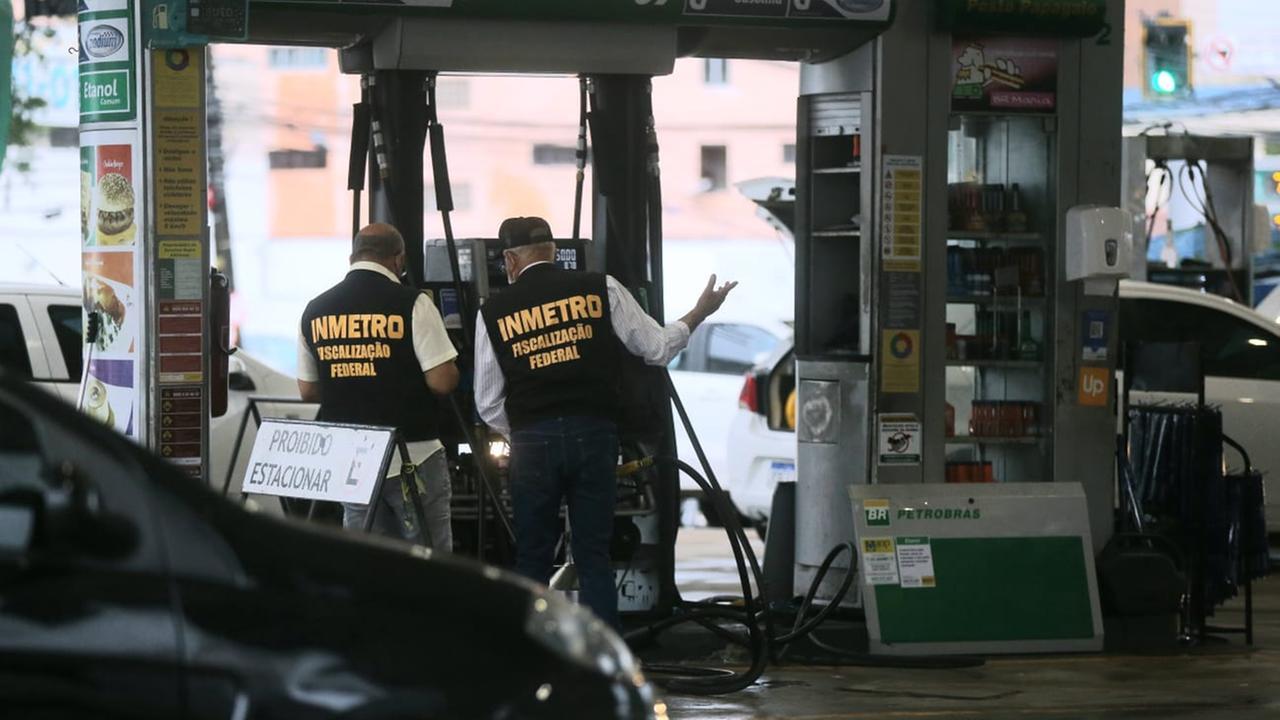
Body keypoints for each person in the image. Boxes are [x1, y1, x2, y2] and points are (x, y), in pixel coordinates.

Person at [474, 216, 736, 628]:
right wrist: (700, 312)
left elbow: (487, 402)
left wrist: (524, 432)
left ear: (508, 258)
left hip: (533, 442)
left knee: (533, 557)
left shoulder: (493, 311)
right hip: (594, 436)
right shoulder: (601, 287)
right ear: (553, 250)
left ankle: (528, 657)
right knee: (594, 555)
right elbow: (656, 348)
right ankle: (604, 662)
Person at [297, 223, 460, 550]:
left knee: (365, 560)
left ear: (352, 257)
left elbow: (308, 391)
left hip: (350, 460)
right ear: (399, 260)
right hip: (413, 455)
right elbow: (441, 382)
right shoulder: (413, 303)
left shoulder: (315, 310)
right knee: (430, 563)